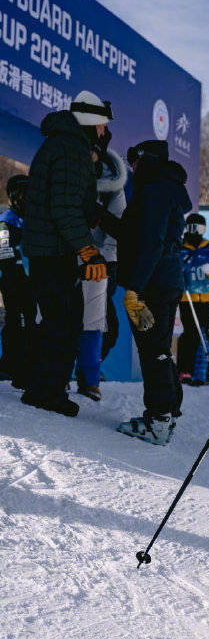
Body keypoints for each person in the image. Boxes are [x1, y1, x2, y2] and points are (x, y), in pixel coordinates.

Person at [21, 90, 109, 417]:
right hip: (54, 251)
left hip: (47, 249)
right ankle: (48, 393)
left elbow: (70, 199)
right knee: (66, 322)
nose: (103, 133)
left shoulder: (63, 144)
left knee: (57, 320)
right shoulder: (71, 148)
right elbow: (65, 207)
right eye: (101, 126)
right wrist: (88, 250)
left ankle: (39, 387)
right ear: (88, 122)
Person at [116, 140, 191, 445]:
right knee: (157, 346)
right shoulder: (163, 188)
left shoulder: (155, 189)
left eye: (133, 160)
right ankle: (167, 412)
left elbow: (151, 243)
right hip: (164, 279)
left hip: (154, 283)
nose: (131, 167)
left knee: (154, 349)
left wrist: (134, 288)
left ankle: (159, 419)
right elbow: (138, 234)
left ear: (144, 160)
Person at [75, 146, 127, 400]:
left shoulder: (112, 189)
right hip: (67, 256)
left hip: (100, 263)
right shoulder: (67, 175)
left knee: (99, 323)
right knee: (60, 318)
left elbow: (119, 228)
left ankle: (88, 376)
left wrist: (102, 259)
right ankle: (59, 373)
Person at [0, 175, 37, 388]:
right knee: (17, 321)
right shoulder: (6, 221)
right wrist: (16, 276)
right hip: (15, 281)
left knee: (30, 322)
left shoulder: (32, 219)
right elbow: (5, 253)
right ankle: (10, 366)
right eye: (22, 194)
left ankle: (24, 365)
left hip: (32, 280)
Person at [179, 213, 209, 385]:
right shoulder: (181, 248)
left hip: (208, 298)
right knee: (190, 334)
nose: (195, 232)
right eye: (192, 228)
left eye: (199, 228)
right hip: (187, 298)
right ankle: (186, 370)